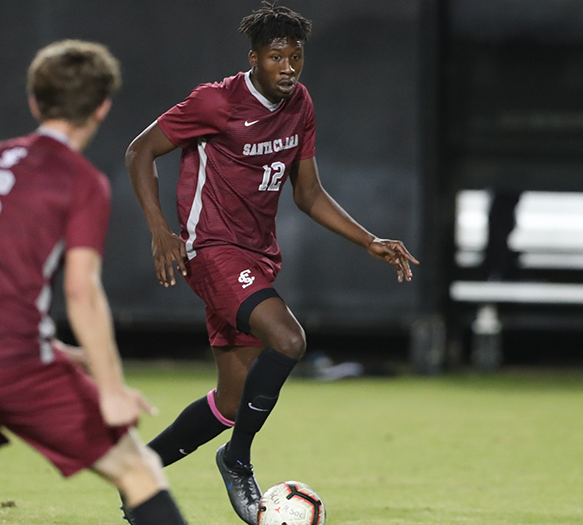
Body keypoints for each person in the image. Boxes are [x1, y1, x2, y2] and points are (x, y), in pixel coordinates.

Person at [125, 3, 417, 523]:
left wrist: (368, 240)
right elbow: (140, 151)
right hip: (210, 248)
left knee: (233, 403)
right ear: (254, 59)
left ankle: (140, 472)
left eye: (296, 57)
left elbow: (308, 194)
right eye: (276, 57)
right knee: (289, 340)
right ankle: (237, 461)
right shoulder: (216, 102)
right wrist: (159, 232)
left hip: (256, 254)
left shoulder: (300, 103)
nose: (288, 67)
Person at [0, 40, 188, 525]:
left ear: (35, 101)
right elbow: (81, 289)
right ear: (102, 108)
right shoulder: (80, 180)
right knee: (140, 470)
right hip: (9, 363)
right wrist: (111, 389)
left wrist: (60, 352)